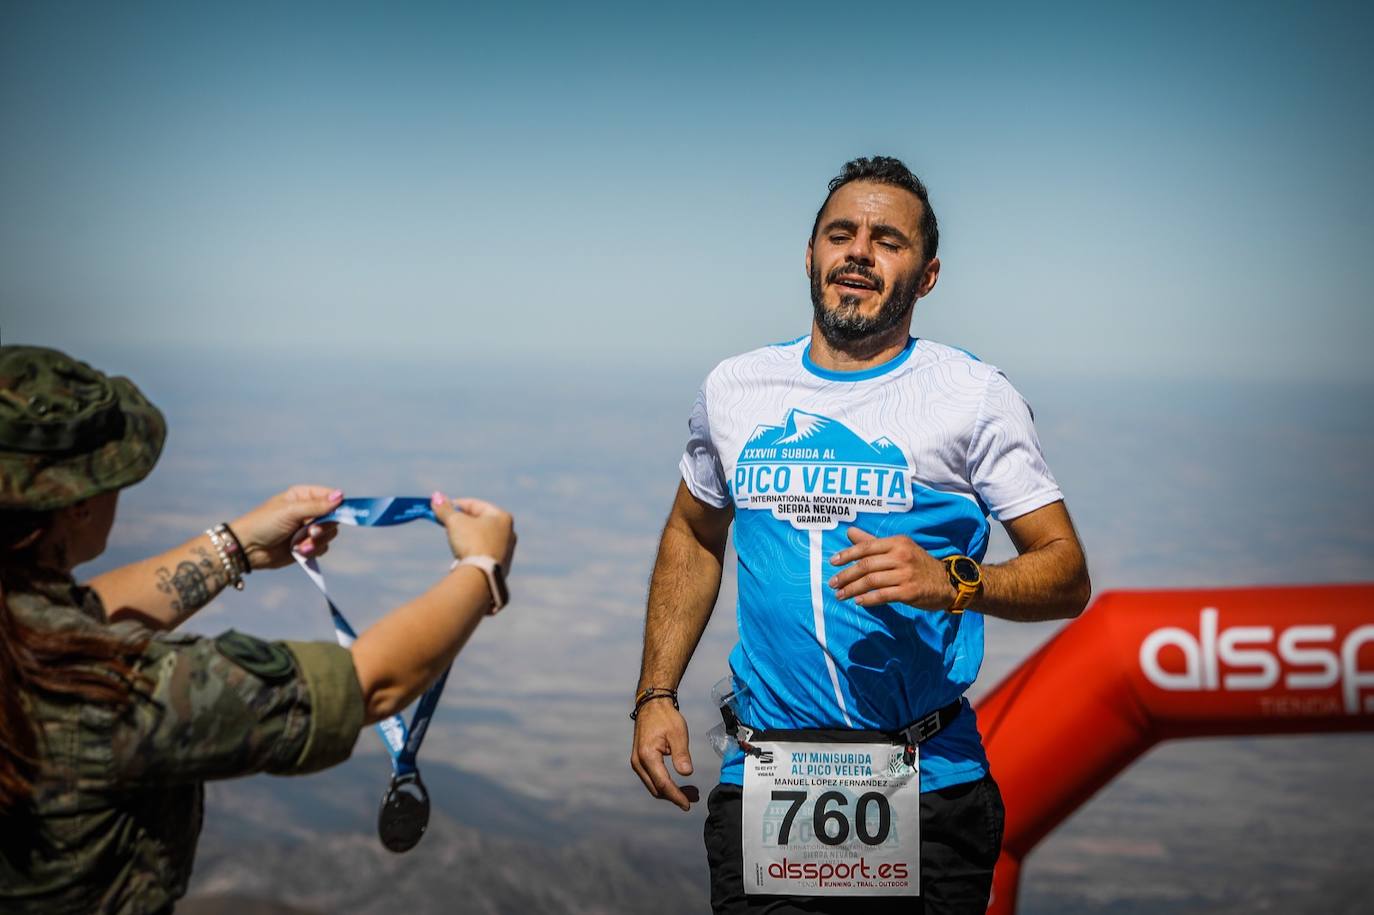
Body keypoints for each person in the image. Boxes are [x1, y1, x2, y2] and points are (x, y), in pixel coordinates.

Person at [630, 156, 1091, 914]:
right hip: (767, 780)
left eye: (887, 240)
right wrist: (654, 692)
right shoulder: (735, 388)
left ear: (928, 274)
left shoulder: (972, 396)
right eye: (840, 233)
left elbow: (1066, 572)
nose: (858, 252)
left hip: (926, 783)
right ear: (810, 254)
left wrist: (953, 582)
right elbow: (693, 530)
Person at [0, 345, 516, 913]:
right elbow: (368, 685)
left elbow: (86, 612)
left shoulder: (21, 627)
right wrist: (480, 569)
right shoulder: (102, 693)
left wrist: (239, 545)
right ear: (76, 506)